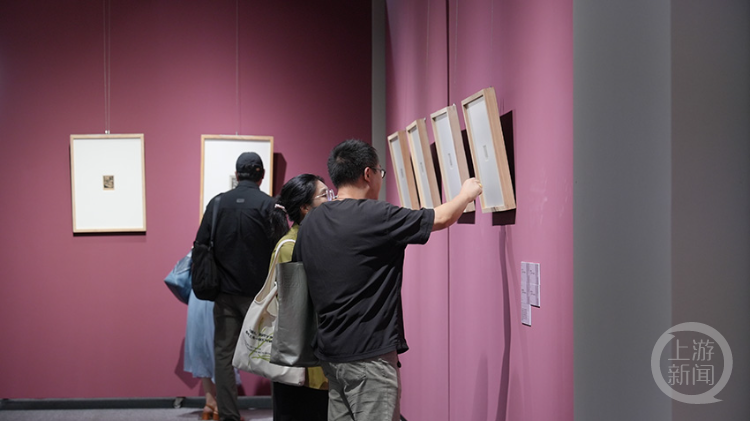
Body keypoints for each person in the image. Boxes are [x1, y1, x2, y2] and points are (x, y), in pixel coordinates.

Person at [293, 139, 482, 421]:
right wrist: (467, 193)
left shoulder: (311, 222)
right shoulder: (376, 215)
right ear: (368, 174)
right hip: (369, 356)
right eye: (381, 172)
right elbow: (441, 218)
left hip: (330, 353)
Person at [194, 152, 278, 421]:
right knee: (272, 354)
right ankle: (281, 412)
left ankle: (229, 415)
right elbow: (281, 250)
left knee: (223, 355)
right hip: (261, 297)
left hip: (225, 294)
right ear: (261, 175)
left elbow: (200, 244)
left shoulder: (217, 203)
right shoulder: (270, 205)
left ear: (237, 174)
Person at [268, 174, 332, 421]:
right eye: (324, 195)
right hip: (300, 357)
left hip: (316, 350)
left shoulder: (313, 239)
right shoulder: (290, 246)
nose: (331, 199)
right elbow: (294, 309)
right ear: (306, 207)